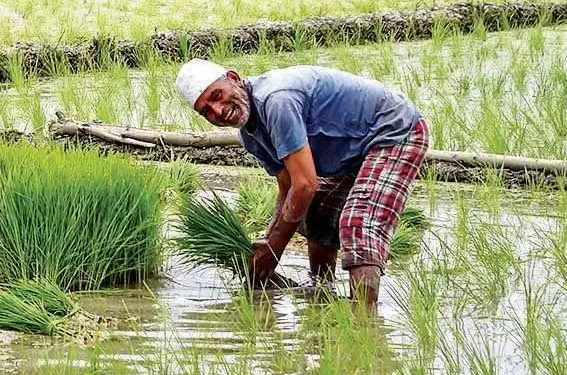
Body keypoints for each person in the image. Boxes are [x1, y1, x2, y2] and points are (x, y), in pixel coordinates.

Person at [175, 60, 429, 307]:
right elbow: (288, 187)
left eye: (217, 96)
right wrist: (266, 241)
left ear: (234, 78)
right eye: (206, 110)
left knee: (358, 222)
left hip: (393, 130)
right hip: (351, 148)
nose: (218, 111)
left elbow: (305, 185)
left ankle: (363, 320)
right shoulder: (250, 137)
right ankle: (322, 293)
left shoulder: (277, 100)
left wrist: (273, 251)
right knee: (315, 212)